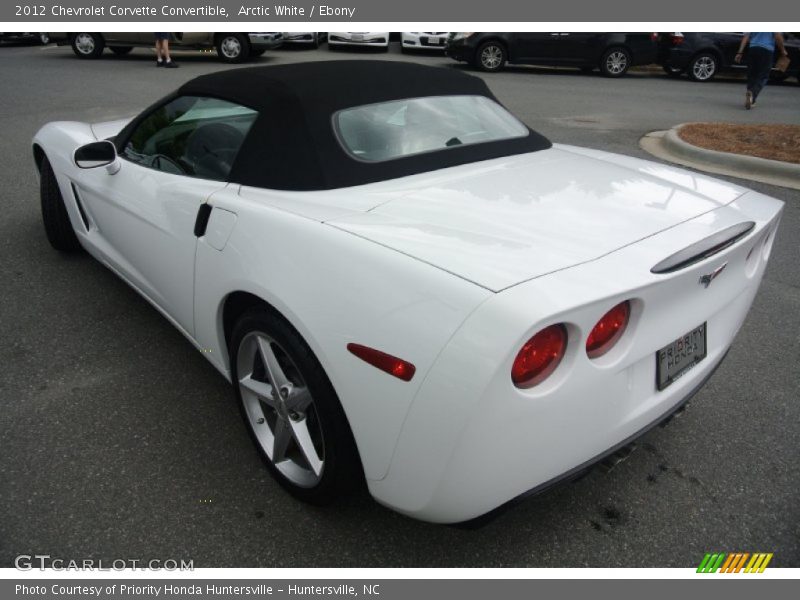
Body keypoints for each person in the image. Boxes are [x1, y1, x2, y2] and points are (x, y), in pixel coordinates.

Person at [735, 32, 787, 109]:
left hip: (753, 49)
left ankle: (750, 95)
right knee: (763, 76)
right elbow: (777, 36)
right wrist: (783, 50)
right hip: (767, 51)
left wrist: (739, 52)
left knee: (752, 74)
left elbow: (746, 37)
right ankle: (752, 94)